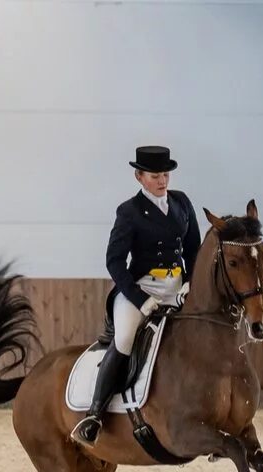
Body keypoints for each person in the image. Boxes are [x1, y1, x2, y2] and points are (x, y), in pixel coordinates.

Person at [70, 145, 202, 447]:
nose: (163, 181)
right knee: (126, 338)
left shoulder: (182, 203)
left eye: (166, 174)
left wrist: (190, 282)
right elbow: (114, 262)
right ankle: (95, 415)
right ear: (139, 177)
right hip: (139, 289)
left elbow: (194, 248)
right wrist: (141, 299)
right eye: (155, 176)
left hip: (177, 290)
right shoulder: (129, 212)